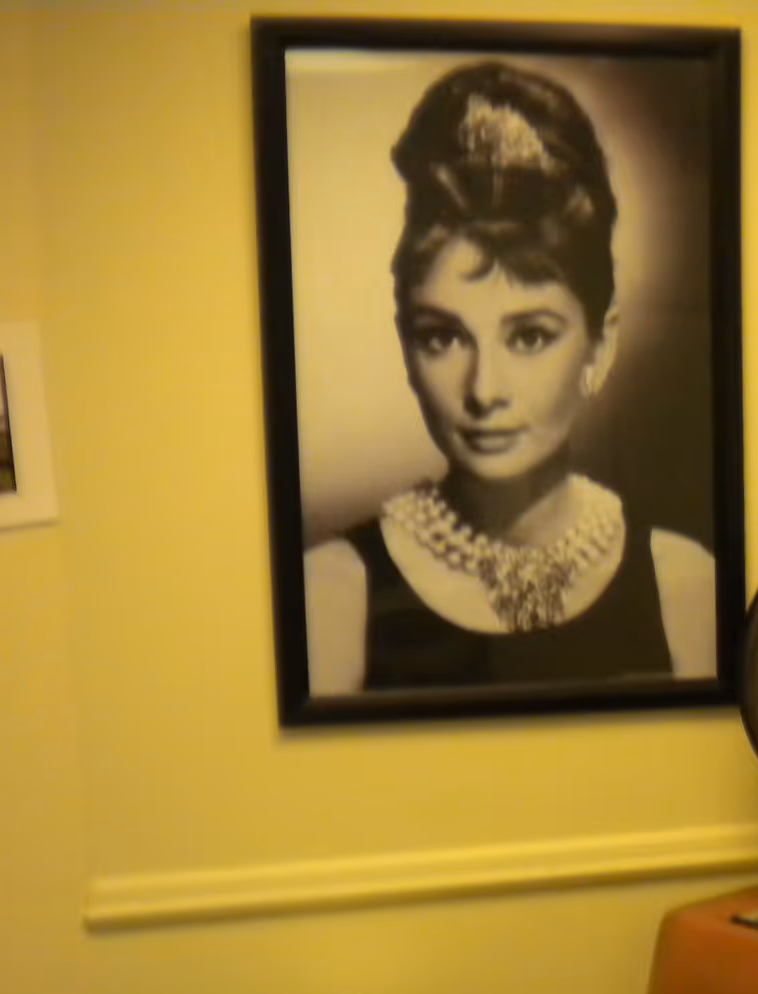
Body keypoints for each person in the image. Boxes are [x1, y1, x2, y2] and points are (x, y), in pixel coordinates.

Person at [304, 62, 716, 696]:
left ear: (601, 344)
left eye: (529, 337)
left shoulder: (686, 587)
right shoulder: (333, 596)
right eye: (443, 337)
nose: (484, 390)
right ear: (406, 343)